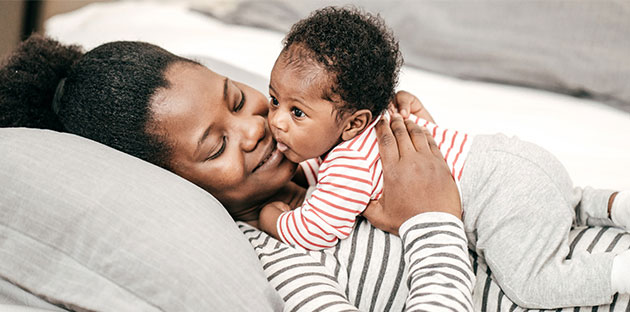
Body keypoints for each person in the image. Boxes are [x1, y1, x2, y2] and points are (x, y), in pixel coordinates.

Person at [0, 34, 474, 311]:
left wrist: (412, 136)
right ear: (177, 185)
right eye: (216, 147)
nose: (254, 129)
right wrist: (434, 221)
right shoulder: (276, 258)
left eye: (238, 99)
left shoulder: (320, 154)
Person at [256, 6, 630, 309]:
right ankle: (615, 205)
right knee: (565, 203)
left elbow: (315, 230)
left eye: (297, 113)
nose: (276, 121)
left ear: (354, 123)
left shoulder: (347, 167)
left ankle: (619, 272)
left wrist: (272, 216)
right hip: (511, 158)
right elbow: (314, 160)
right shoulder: (383, 120)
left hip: (502, 199)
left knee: (533, 284)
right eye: (274, 100)